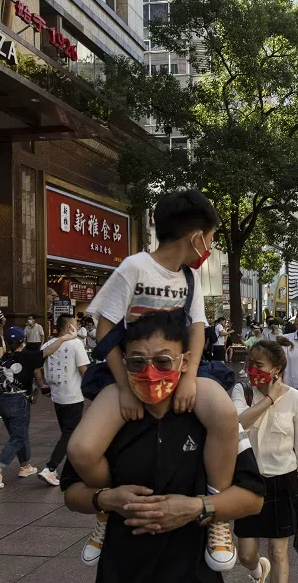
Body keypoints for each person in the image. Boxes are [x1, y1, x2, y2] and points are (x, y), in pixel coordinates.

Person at [85, 189, 240, 569]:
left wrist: (189, 379)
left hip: (180, 372)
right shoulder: (134, 267)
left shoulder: (189, 279)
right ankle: (106, 509)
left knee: (224, 414)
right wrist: (125, 386)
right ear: (197, 237)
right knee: (82, 450)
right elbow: (104, 329)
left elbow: (198, 329)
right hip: (132, 373)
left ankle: (218, 518)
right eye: (212, 238)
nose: (211, 247)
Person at [61, 311, 264, 581]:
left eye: (163, 361)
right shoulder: (108, 421)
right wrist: (105, 500)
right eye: (136, 362)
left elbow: (253, 498)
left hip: (192, 571)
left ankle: (218, 527)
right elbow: (72, 492)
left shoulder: (211, 418)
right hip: (121, 568)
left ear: (184, 361)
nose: (150, 372)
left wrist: (200, 507)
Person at [232, 340, 298, 583]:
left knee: (279, 551)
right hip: (248, 482)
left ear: (277, 370)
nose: (251, 368)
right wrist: (269, 399)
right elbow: (238, 423)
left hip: (282, 481)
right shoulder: (243, 391)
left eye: (259, 364)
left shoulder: (295, 399)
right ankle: (259, 570)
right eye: (250, 362)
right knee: (247, 554)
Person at [0, 327, 78, 489]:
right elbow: (48, 350)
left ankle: (25, 466)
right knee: (17, 437)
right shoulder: (27, 356)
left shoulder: (3, 358)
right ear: (23, 341)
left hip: (4, 401)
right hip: (18, 399)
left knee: (19, 434)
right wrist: (63, 338)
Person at [36, 314, 92, 486]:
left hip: (57, 396)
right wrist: (94, 389)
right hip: (73, 396)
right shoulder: (76, 343)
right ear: (69, 328)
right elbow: (83, 369)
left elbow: (36, 367)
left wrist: (41, 385)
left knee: (69, 434)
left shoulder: (47, 344)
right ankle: (50, 468)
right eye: (75, 324)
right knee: (69, 435)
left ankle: (72, 470)